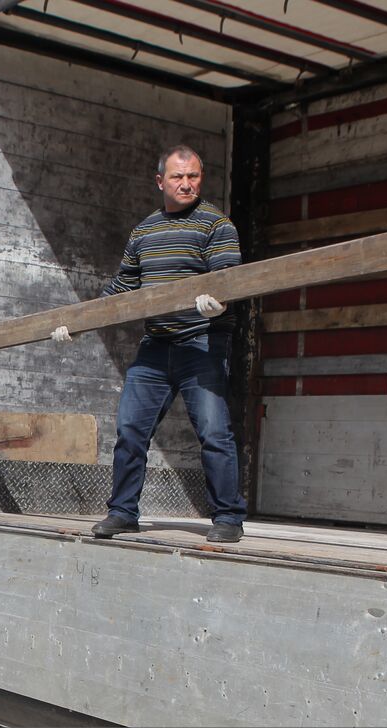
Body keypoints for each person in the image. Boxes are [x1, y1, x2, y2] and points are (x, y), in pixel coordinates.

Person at [82, 145, 247, 543]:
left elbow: (229, 277)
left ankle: (228, 518)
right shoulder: (144, 231)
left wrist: (218, 300)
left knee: (213, 432)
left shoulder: (216, 224)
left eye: (193, 176)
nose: (186, 183)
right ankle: (123, 513)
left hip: (203, 341)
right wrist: (77, 321)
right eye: (178, 177)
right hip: (156, 346)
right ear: (161, 181)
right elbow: (125, 286)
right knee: (129, 429)